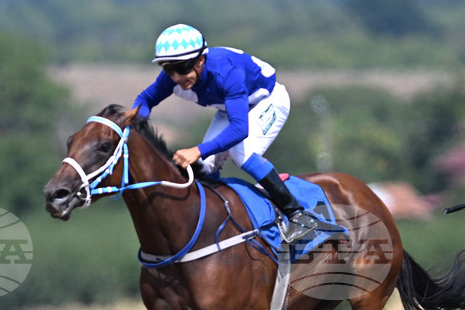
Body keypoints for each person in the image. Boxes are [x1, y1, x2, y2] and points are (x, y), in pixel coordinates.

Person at [132, 23, 341, 243]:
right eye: (168, 69)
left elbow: (240, 129)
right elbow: (143, 101)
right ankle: (212, 221)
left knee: (242, 153)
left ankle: (299, 216)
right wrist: (138, 123)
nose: (176, 77)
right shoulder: (173, 77)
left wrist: (197, 149)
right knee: (204, 167)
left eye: (182, 68)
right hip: (230, 109)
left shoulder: (226, 71)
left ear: (200, 60)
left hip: (268, 100)